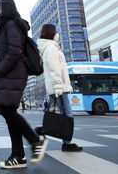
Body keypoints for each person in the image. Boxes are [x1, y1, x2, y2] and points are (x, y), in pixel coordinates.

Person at [0, 0, 48, 169]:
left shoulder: (11, 25)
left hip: (12, 72)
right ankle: (18, 157)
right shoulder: (8, 26)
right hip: (11, 72)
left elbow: (14, 51)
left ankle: (35, 142)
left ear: (5, 8)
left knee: (8, 111)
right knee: (9, 113)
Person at [37, 24, 82, 152]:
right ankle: (65, 143)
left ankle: (65, 142)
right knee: (67, 114)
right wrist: (58, 85)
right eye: (56, 31)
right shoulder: (51, 47)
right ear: (52, 33)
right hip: (59, 87)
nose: (58, 33)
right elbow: (54, 67)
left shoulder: (50, 47)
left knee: (64, 114)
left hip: (59, 86)